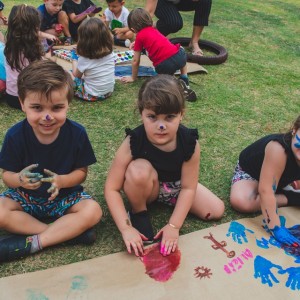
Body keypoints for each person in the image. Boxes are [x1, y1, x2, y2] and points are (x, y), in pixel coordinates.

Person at [104, 74, 224, 257]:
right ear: (141, 113)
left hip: (176, 187)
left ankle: (167, 204)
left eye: (169, 117)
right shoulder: (133, 141)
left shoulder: (189, 142)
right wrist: (126, 228)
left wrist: (173, 225)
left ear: (181, 114)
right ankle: (139, 211)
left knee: (215, 210)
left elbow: (188, 187)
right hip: (146, 186)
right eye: (152, 117)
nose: (161, 126)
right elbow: (111, 188)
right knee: (138, 170)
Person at [0, 60, 102, 263]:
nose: (47, 116)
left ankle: (38, 242)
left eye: (57, 108)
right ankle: (67, 234)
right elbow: (7, 176)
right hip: (25, 198)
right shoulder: (15, 135)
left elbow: (81, 172)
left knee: (93, 211)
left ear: (68, 105)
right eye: (37, 107)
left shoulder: (77, 134)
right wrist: (20, 180)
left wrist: (62, 181)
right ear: (22, 104)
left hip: (65, 198)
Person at [230, 116, 300, 246]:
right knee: (241, 201)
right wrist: (276, 227)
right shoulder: (278, 149)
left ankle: (290, 186)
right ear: (294, 130)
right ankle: (292, 197)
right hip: (253, 175)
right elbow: (266, 190)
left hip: (283, 179)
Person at [121, 8, 196, 102]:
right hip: (179, 57)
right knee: (180, 51)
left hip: (164, 65)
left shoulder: (140, 36)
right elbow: (151, 38)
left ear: (132, 29)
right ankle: (184, 77)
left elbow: (136, 61)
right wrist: (137, 42)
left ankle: (175, 86)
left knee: (161, 82)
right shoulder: (154, 29)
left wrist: (133, 77)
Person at [3, 4, 47, 110]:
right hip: (29, 99)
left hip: (11, 97)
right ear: (35, 27)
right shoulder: (32, 51)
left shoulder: (9, 47)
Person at [145, 0, 212, 56]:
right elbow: (149, 11)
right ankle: (157, 25)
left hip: (180, 2)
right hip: (162, 2)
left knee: (205, 1)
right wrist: (143, 35)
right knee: (174, 23)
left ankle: (194, 43)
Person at [71, 17, 115, 102]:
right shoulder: (111, 53)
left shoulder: (84, 59)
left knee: (68, 77)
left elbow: (76, 75)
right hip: (108, 91)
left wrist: (74, 58)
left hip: (91, 95)